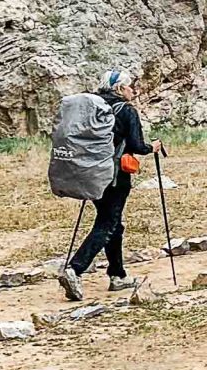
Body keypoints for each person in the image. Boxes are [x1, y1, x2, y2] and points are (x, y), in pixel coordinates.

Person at [60, 68, 161, 301]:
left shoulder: (91, 106)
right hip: (115, 177)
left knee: (114, 223)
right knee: (107, 223)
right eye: (129, 87)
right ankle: (74, 269)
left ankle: (117, 275)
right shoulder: (126, 111)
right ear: (119, 89)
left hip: (89, 173)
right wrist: (152, 147)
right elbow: (136, 145)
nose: (132, 90)